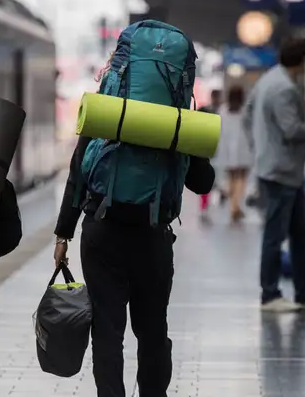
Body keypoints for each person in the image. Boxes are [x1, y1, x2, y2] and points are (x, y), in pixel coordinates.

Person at [53, 68, 216, 395]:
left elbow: (77, 174)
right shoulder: (177, 114)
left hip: (102, 231)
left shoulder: (107, 108)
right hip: (152, 236)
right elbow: (203, 183)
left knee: (107, 331)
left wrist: (63, 234)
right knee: (152, 330)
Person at [243, 37, 305, 313]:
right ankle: (270, 293)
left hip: (276, 168)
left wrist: (259, 146)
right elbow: (291, 129)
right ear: (301, 60)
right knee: (275, 235)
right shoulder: (285, 88)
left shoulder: (267, 79)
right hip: (281, 171)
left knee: (299, 232)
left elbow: (248, 115)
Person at [216, 86, 252, 223]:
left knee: (231, 176)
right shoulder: (245, 111)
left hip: (227, 147)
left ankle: (231, 201)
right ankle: (235, 206)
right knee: (242, 176)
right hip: (243, 146)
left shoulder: (223, 110)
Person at [199, 89, 222, 221]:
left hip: (217, 152)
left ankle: (208, 206)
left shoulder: (222, 111)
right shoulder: (205, 110)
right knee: (207, 180)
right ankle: (205, 207)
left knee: (214, 180)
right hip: (207, 151)